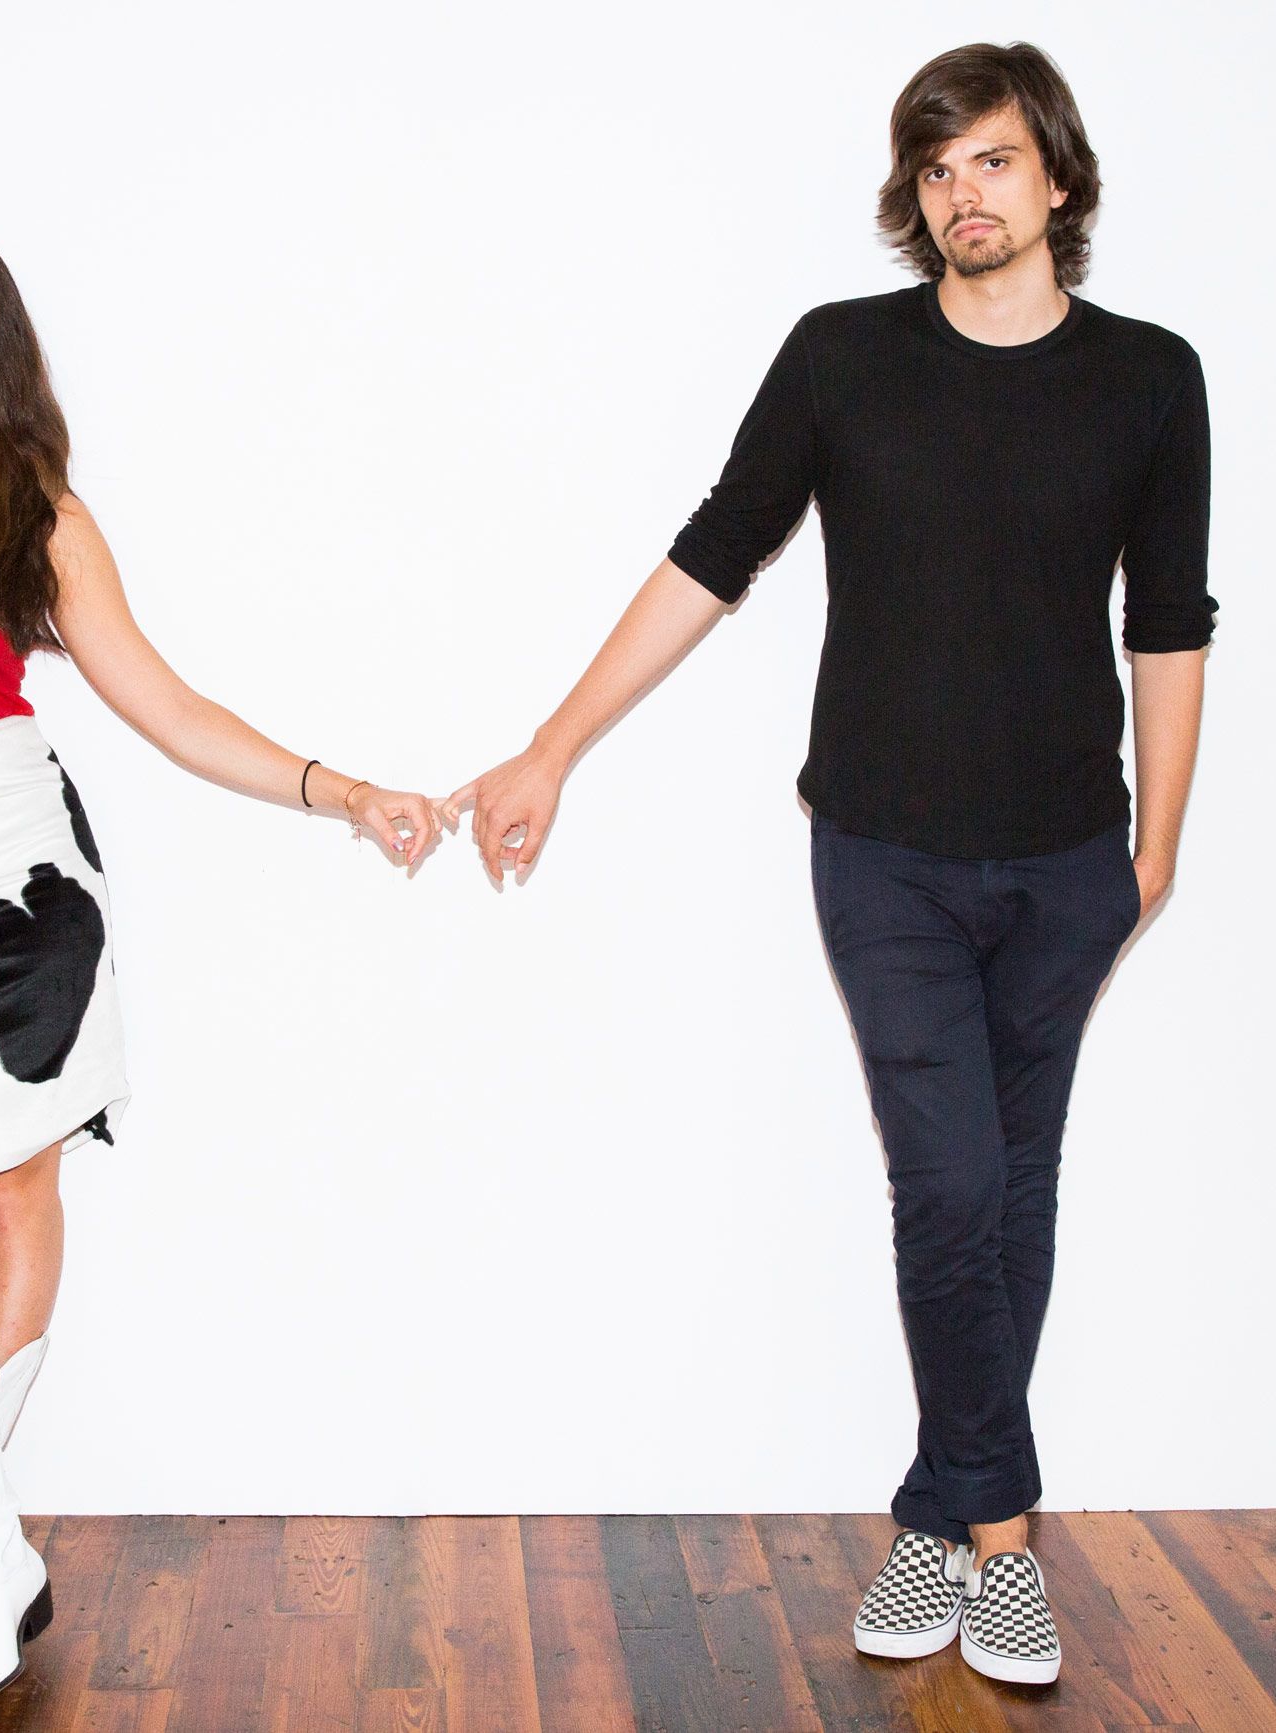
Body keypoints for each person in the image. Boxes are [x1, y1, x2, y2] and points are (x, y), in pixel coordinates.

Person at [440, 42, 1213, 1687]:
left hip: (1071, 859)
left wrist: (1157, 848)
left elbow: (1170, 619)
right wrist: (551, 744)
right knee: (949, 1186)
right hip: (885, 855)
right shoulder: (843, 358)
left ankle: (939, 1514)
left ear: (1056, 178)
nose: (962, 194)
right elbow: (714, 552)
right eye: (936, 168)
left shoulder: (1152, 379)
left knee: (1013, 1189)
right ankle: (1006, 1541)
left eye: (992, 161)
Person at [0, 220, 440, 1711]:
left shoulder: (34, 506)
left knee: (15, 1197)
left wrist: (341, 789)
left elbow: (165, 704)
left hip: (21, 876)